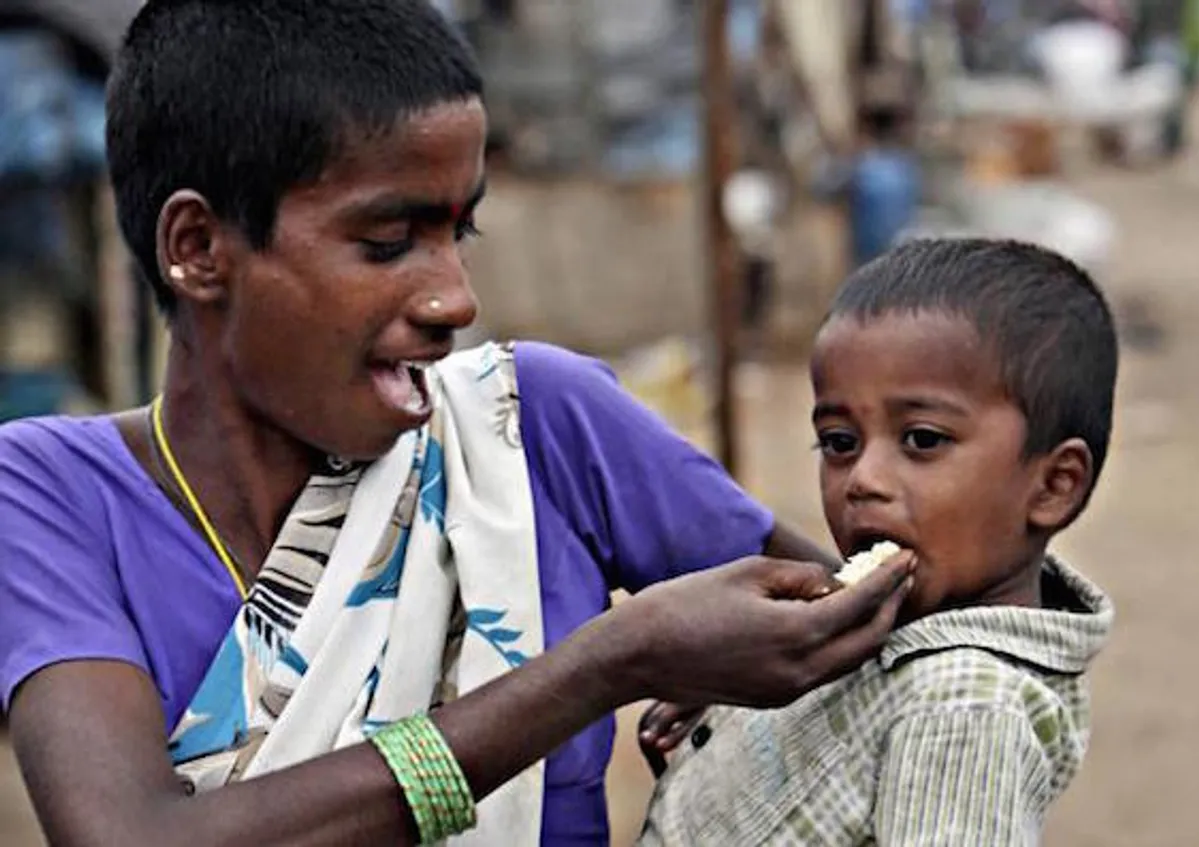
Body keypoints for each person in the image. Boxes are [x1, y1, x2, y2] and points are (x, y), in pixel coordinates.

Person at [0, 2, 916, 845]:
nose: (454, 298)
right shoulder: (48, 494)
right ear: (198, 249)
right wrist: (603, 665)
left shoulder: (535, 426)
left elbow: (888, 631)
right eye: (389, 243)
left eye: (458, 234)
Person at [640, 238, 1117, 845]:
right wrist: (725, 725)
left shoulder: (964, 710)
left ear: (1054, 485)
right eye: (840, 442)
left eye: (921, 439)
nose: (863, 479)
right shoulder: (879, 627)